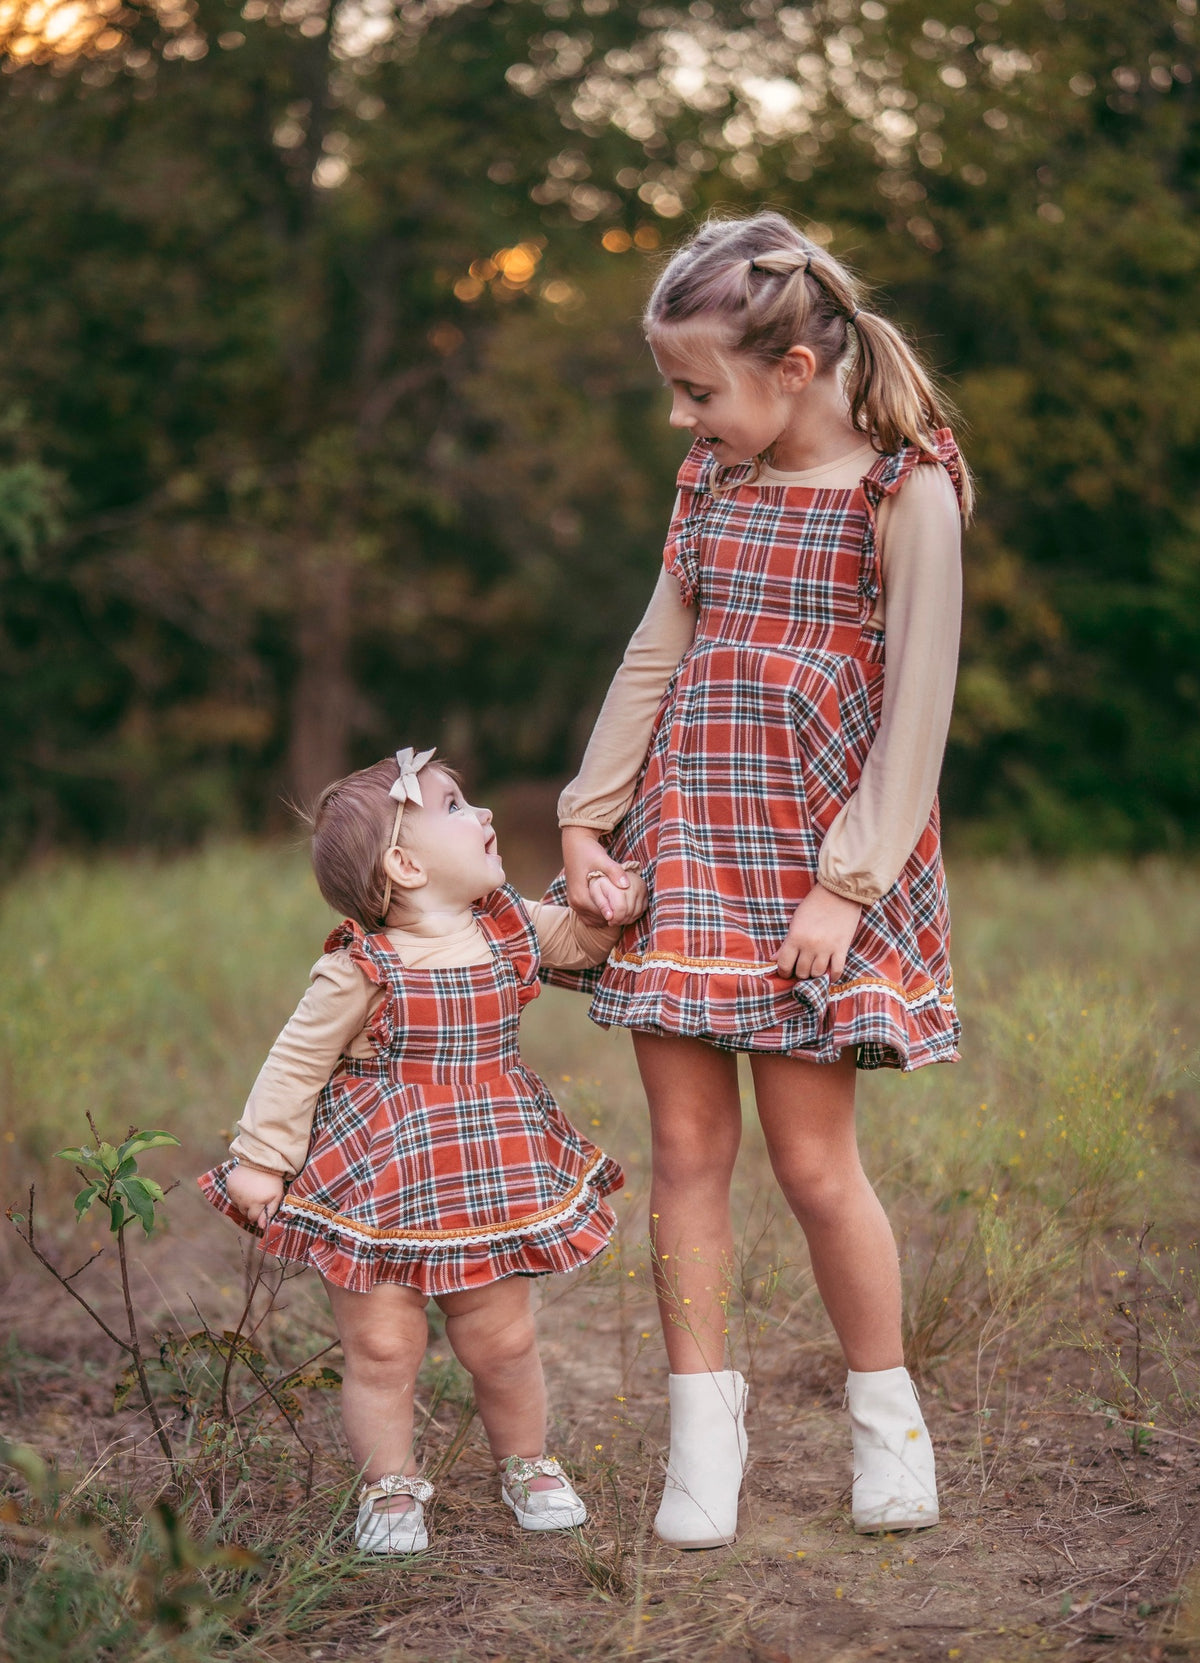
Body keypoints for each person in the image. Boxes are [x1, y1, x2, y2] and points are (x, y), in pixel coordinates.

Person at [547, 210, 970, 1547]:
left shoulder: (908, 490)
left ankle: (888, 1426)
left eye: (695, 388)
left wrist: (848, 883)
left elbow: (918, 706)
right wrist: (585, 822)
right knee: (684, 1151)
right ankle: (701, 1442)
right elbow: (654, 654)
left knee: (812, 1159)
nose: (682, 418)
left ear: (791, 366)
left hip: (809, 875)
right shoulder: (708, 486)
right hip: (688, 852)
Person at [199, 747, 640, 1554]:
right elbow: (296, 1061)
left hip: (487, 1163)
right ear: (404, 864)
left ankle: (529, 1462)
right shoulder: (360, 965)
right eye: (455, 806)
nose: (486, 815)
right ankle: (391, 1485)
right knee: (382, 1343)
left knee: (501, 1338)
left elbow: (581, 943)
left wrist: (611, 904)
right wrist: (260, 1157)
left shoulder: (506, 920)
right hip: (380, 1171)